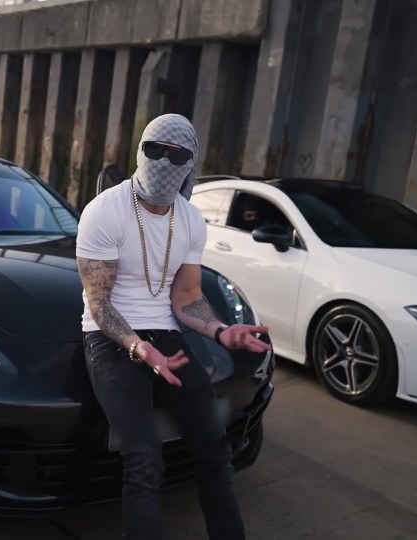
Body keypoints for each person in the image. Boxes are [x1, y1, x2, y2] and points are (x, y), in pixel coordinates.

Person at [76, 114, 272, 539]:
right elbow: (99, 302)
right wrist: (136, 347)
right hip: (110, 339)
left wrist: (221, 331)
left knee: (214, 447)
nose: (164, 161)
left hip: (167, 336)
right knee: (144, 458)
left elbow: (186, 297)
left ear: (190, 162)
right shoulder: (103, 211)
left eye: (176, 154)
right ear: (139, 151)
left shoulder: (190, 220)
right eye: (154, 150)